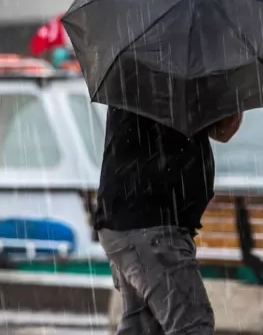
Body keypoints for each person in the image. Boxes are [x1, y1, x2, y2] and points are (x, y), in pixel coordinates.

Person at [95, 108, 243, 335]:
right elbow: (220, 127)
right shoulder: (170, 78)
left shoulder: (158, 79)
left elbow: (222, 129)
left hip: (132, 220)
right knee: (192, 324)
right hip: (149, 224)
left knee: (145, 327)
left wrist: (232, 91)